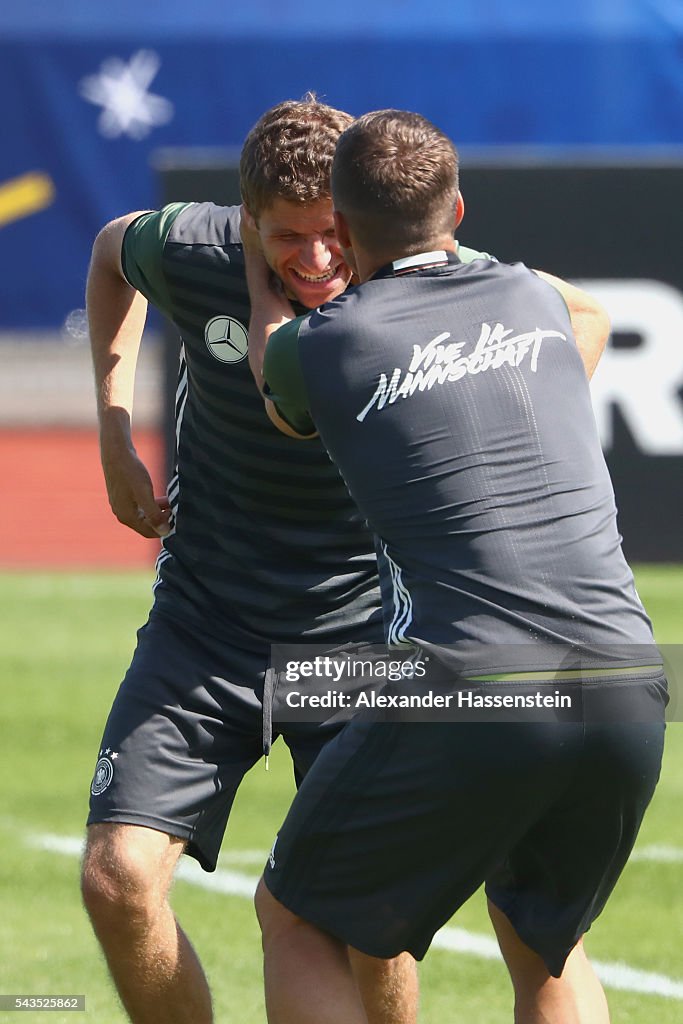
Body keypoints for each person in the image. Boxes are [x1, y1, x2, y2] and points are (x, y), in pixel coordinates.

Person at [81, 94, 608, 1024]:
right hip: (208, 625)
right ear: (247, 221)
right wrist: (115, 427)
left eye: (335, 233)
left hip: (363, 637)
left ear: (361, 220)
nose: (320, 259)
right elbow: (109, 250)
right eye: (290, 237)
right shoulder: (191, 247)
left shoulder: (415, 278)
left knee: (365, 927)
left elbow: (584, 319)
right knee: (119, 880)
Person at [249, 109, 668, 1024]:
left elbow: (275, 389)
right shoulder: (531, 298)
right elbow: (575, 307)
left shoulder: (319, 347)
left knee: (297, 917)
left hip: (475, 683)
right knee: (543, 944)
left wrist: (259, 263)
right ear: (461, 209)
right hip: (630, 681)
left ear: (343, 230)